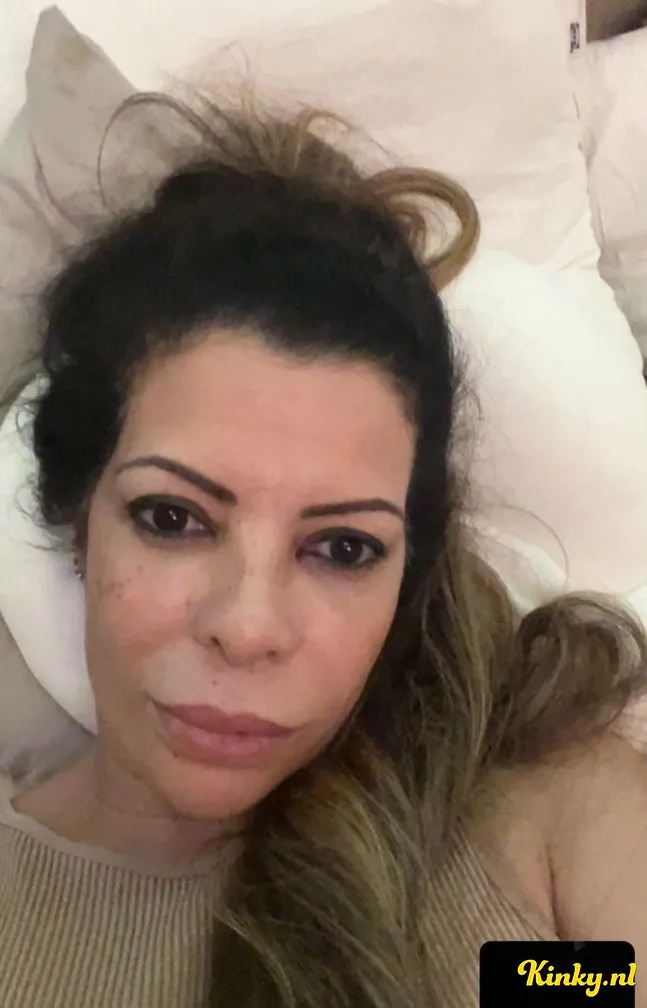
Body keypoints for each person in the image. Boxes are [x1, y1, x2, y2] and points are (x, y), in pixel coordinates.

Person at [0, 93, 646, 1008]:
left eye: (342, 547)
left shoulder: (557, 816)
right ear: (79, 517)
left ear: (407, 570)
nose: (248, 627)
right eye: (173, 519)